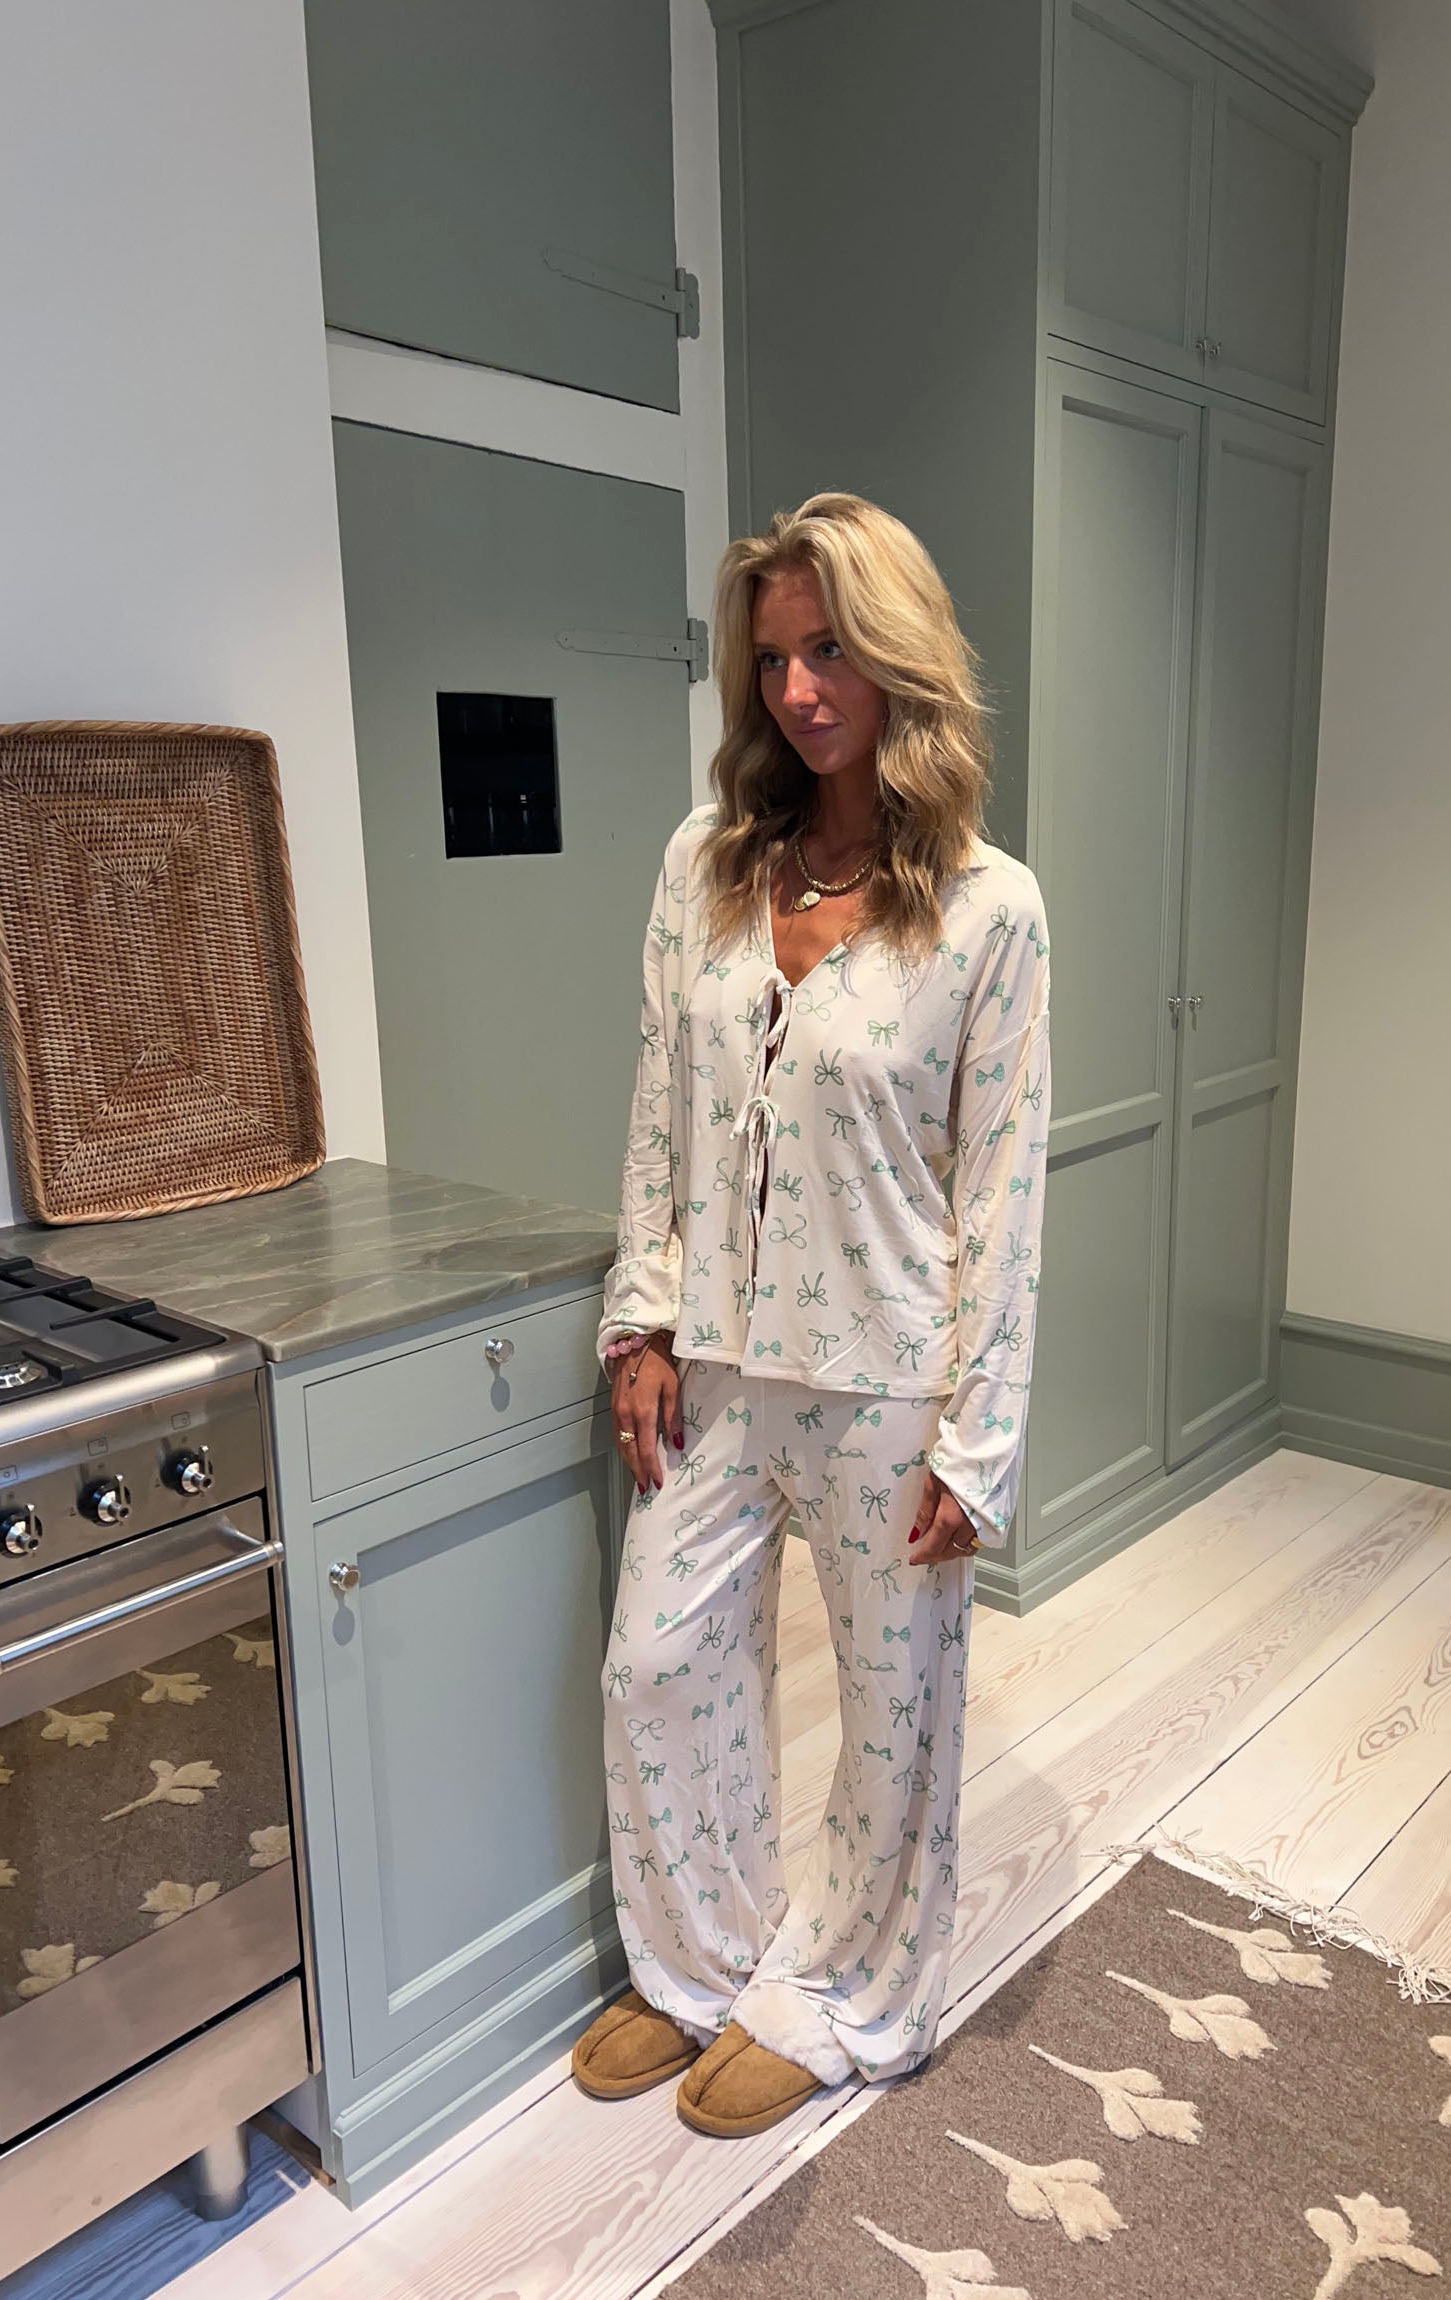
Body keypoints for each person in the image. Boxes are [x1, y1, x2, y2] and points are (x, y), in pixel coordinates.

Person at [572, 492, 1050, 2139]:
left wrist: (977, 1441)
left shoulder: (989, 910)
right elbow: (659, 1110)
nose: (795, 689)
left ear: (898, 654)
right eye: (772, 657)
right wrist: (640, 1320)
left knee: (892, 1717)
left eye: (830, 648)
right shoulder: (705, 868)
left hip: (887, 1378)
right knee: (656, 1667)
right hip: (715, 1359)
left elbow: (1002, 1191)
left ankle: (846, 1992)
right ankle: (701, 1962)